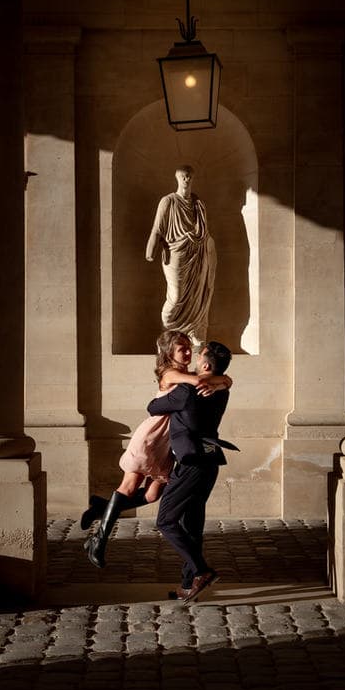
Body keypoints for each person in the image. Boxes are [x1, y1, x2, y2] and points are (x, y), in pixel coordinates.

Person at [81, 330, 232, 568]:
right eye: (181, 347)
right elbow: (199, 381)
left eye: (187, 347)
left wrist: (224, 381)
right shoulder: (170, 373)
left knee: (152, 495)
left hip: (168, 444)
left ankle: (101, 507)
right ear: (168, 352)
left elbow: (211, 378)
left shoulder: (186, 374)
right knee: (129, 487)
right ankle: (98, 540)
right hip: (151, 438)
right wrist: (220, 382)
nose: (187, 351)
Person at [151, 340, 235, 603]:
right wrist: (224, 380)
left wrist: (172, 385)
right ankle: (188, 584)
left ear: (207, 364)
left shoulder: (186, 391)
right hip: (210, 463)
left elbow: (153, 408)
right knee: (192, 524)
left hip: (190, 464)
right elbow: (225, 380)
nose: (196, 359)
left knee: (166, 520)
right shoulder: (221, 390)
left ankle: (201, 570)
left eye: (200, 357)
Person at [145, 164, 217, 343]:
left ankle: (193, 331)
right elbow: (157, 229)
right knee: (176, 295)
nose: (186, 179)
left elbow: (205, 232)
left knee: (196, 294)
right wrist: (150, 250)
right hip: (176, 253)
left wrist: (210, 251)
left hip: (198, 253)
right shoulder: (168, 201)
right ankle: (168, 328)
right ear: (177, 178)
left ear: (193, 179)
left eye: (189, 176)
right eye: (183, 176)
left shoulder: (198, 203)